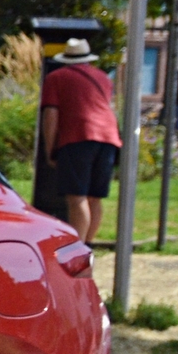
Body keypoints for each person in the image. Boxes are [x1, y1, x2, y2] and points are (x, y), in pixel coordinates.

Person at [36, 39, 121, 243]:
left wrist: (50, 149)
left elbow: (51, 115)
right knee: (95, 196)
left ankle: (77, 249)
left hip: (78, 136)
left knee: (77, 197)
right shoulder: (103, 77)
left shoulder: (56, 77)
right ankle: (88, 244)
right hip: (109, 138)